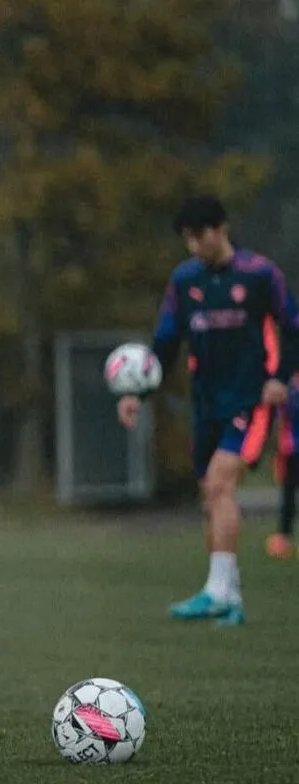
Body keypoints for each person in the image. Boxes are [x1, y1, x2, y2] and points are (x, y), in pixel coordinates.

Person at [118, 195, 299, 626]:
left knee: (220, 483)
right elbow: (164, 343)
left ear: (222, 229)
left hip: (250, 401)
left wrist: (280, 377)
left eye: (200, 236)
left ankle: (216, 591)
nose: (194, 246)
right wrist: (136, 394)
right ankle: (230, 598)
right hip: (206, 405)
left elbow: (293, 329)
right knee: (212, 496)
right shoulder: (184, 281)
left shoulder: (259, 275)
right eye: (188, 239)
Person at [268, 375, 299, 559]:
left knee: (288, 495)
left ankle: (283, 537)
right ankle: (283, 538)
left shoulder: (288, 387)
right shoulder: (288, 385)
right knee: (288, 495)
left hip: (290, 447)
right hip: (291, 449)